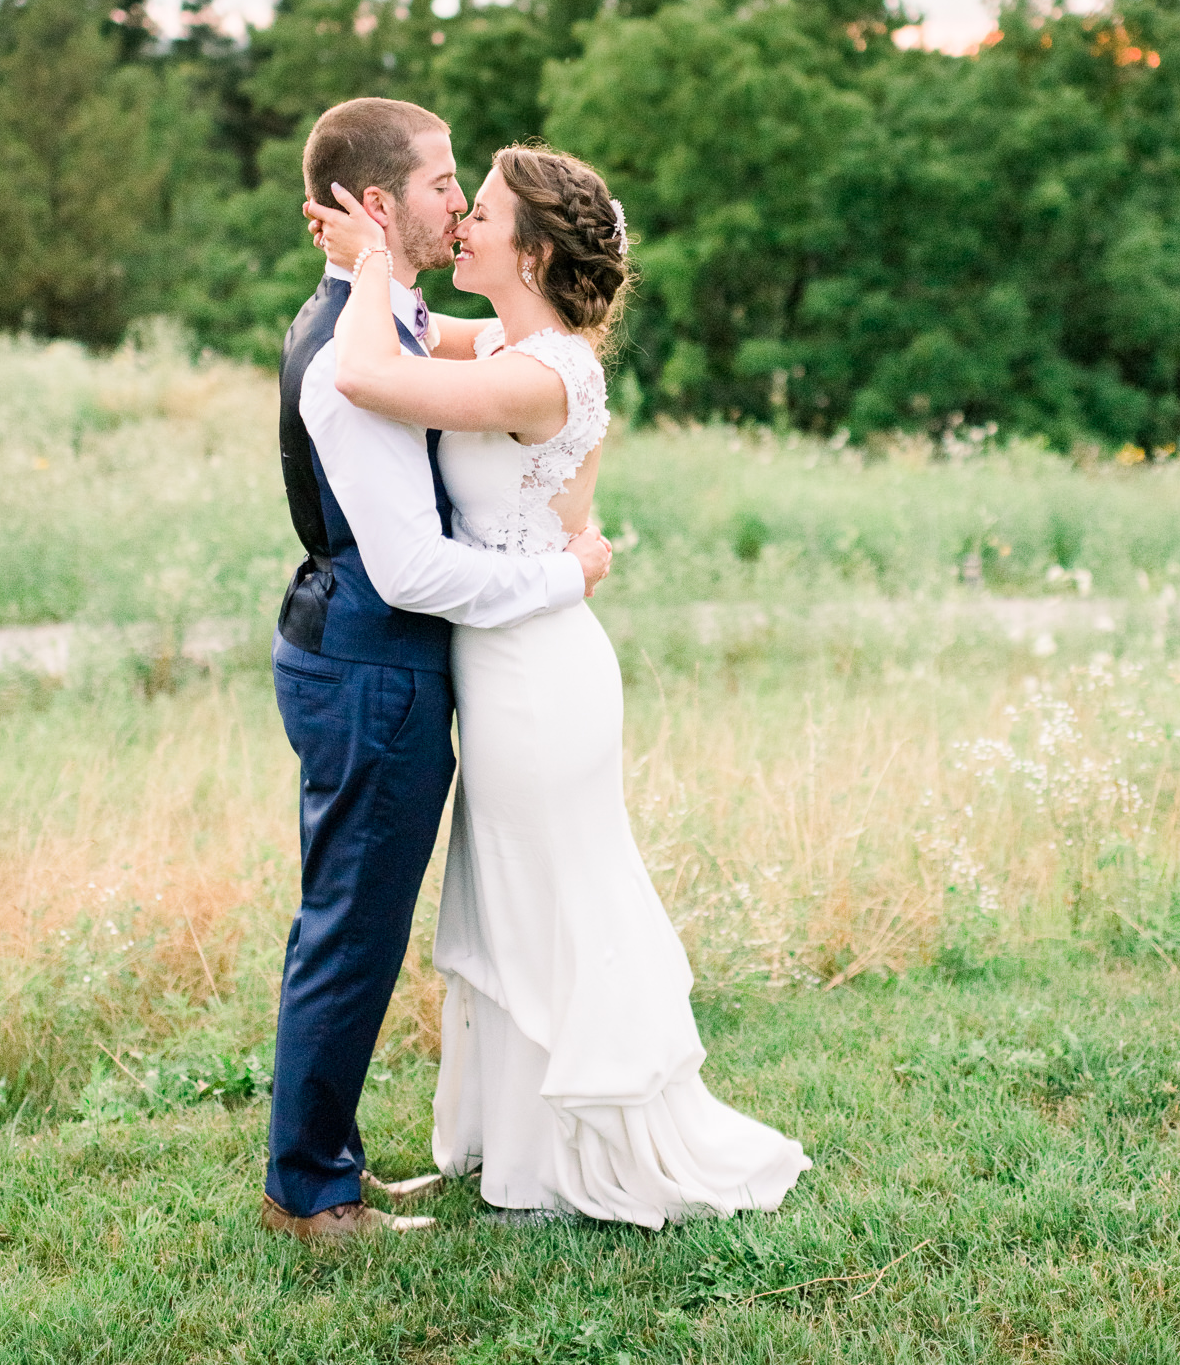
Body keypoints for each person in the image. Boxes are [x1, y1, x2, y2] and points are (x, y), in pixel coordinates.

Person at [308, 139, 810, 1227]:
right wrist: (368, 264)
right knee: (512, 901)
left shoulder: (545, 372)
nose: (460, 227)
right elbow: (398, 338)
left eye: (479, 213)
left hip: (537, 679)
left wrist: (369, 265)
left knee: (552, 901)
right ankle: (520, 1151)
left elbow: (364, 371)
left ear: (530, 252)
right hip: (509, 661)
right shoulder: (504, 340)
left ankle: (597, 1144)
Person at [262, 98, 613, 1243]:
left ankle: (331, 1166)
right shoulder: (345, 359)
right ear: (375, 206)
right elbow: (412, 569)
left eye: (471, 189)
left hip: (408, 665)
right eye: (438, 182)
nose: (456, 203)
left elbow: (508, 372)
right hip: (374, 663)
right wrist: (566, 577)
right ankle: (311, 1192)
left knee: (379, 920)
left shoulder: (399, 320)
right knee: (351, 928)